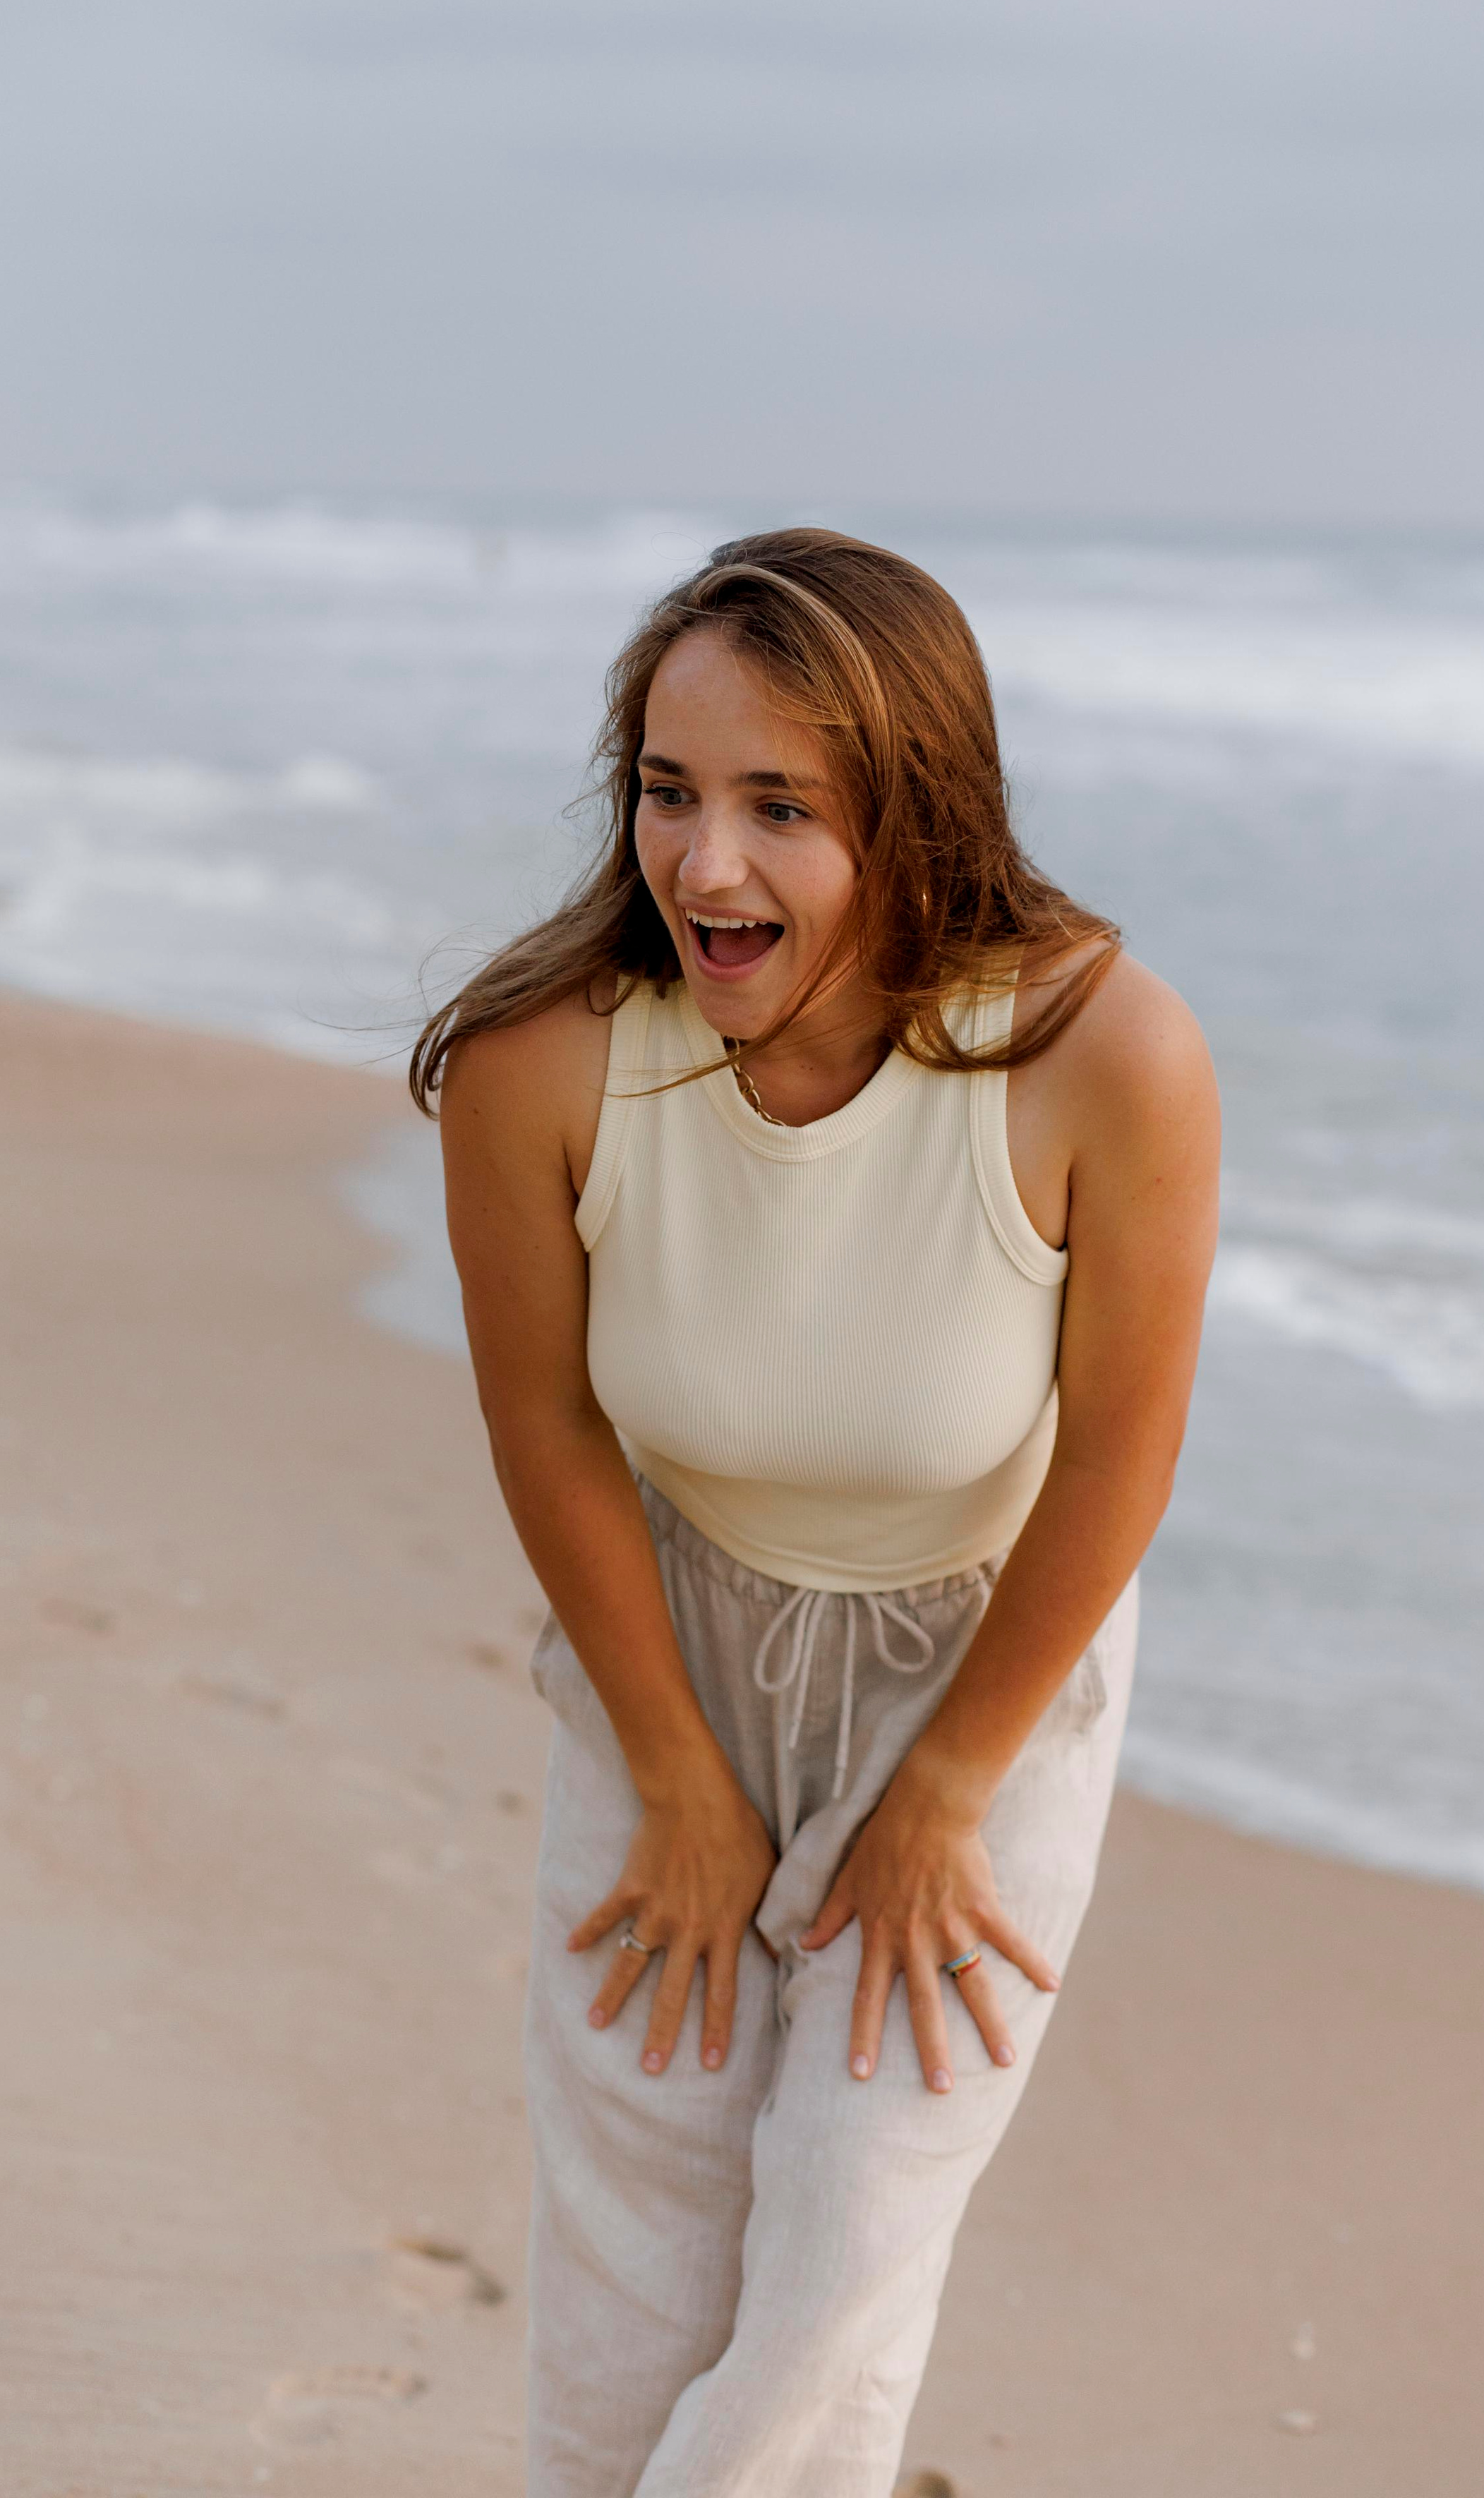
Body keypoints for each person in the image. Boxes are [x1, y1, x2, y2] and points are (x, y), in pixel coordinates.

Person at [413, 529, 1219, 2497]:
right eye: (669, 794)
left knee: (853, 2235)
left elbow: (1119, 1453)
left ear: (916, 812)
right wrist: (677, 1774)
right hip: (659, 1632)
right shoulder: (547, 1065)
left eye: (783, 807)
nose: (706, 865)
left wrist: (950, 1786)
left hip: (984, 1661)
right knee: (635, 2237)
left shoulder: (1102, 1058)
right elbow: (545, 1423)